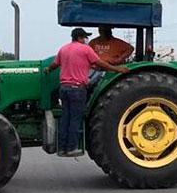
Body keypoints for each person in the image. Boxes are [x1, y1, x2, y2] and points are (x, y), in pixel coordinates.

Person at [46, 28, 129, 156]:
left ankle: (61, 147)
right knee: (75, 118)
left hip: (64, 88)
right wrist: (117, 69)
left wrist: (47, 70)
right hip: (77, 89)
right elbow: (100, 63)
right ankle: (72, 147)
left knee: (65, 118)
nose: (86, 39)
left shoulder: (64, 49)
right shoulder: (85, 49)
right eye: (85, 37)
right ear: (80, 37)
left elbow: (55, 64)